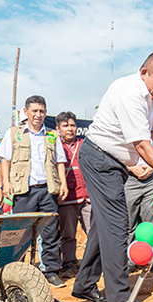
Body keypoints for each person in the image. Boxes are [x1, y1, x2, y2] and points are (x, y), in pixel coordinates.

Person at [72, 51, 153, 302]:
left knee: (104, 225)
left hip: (114, 163)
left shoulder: (151, 96)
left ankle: (86, 283)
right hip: (100, 158)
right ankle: (119, 299)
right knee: (117, 226)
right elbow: (142, 145)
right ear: (144, 72)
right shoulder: (129, 92)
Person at [0, 95, 69, 288]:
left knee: (50, 231)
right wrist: (5, 183)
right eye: (34, 111)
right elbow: (5, 159)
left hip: (47, 190)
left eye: (42, 111)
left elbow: (60, 161)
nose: (38, 115)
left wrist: (63, 183)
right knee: (20, 232)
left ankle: (51, 271)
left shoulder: (52, 135)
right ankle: (17, 270)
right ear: (26, 112)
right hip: (23, 191)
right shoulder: (14, 133)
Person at [54, 111, 90, 279]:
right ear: (58, 128)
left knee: (93, 232)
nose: (70, 129)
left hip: (87, 197)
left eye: (73, 125)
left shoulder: (85, 144)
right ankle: (69, 264)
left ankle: (93, 264)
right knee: (68, 234)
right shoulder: (54, 146)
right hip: (66, 198)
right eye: (65, 126)